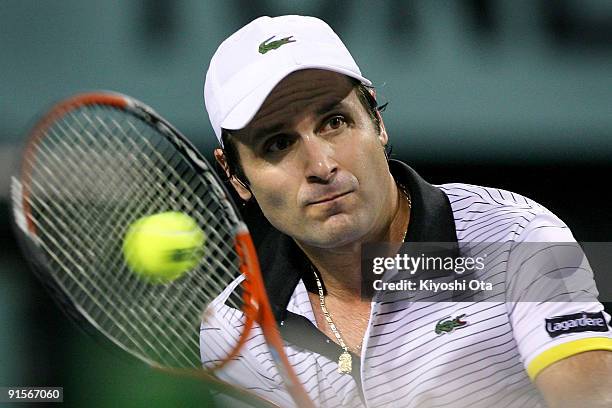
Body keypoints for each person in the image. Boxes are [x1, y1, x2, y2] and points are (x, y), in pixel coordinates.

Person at [200, 15, 612, 407]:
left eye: (334, 122)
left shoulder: (515, 236)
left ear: (376, 122)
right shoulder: (234, 326)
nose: (322, 166)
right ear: (234, 174)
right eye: (277, 144)